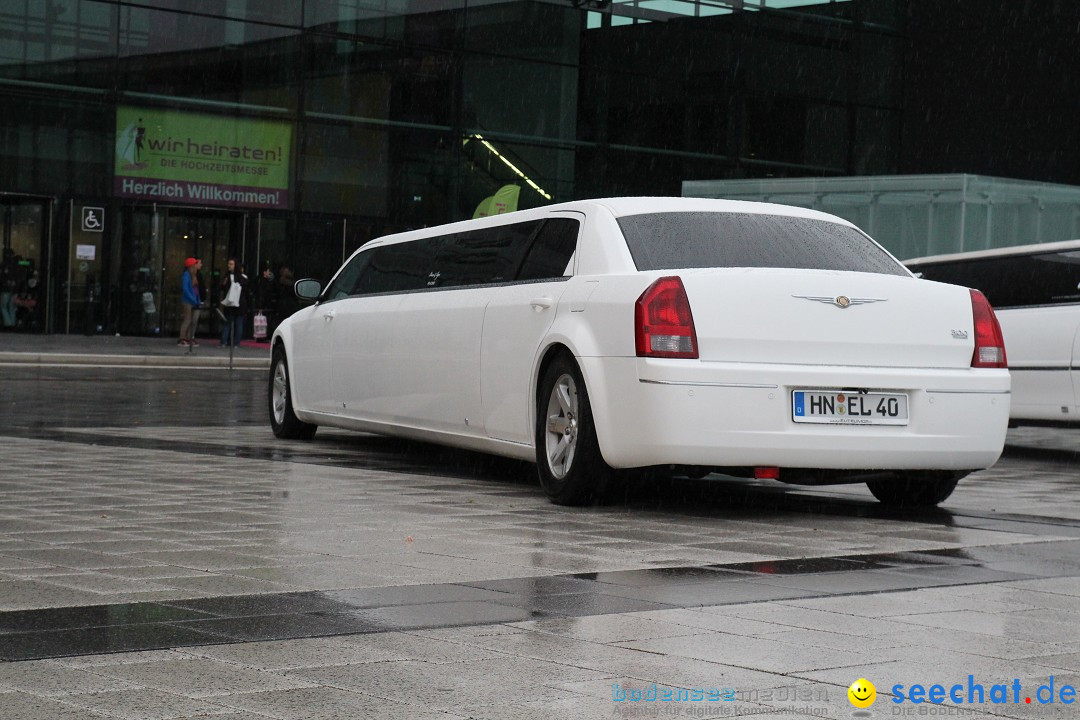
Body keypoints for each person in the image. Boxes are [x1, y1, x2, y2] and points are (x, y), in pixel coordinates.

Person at [218, 257, 248, 347]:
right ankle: (236, 343)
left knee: (229, 323)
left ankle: (225, 341)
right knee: (238, 324)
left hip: (232, 303)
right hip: (239, 303)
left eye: (231, 264)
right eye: (229, 264)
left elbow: (222, 288)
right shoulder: (243, 277)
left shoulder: (228, 277)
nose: (229, 266)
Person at [178, 257, 202, 346]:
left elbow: (196, 289)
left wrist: (198, 300)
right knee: (187, 320)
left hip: (195, 300)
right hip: (188, 301)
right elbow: (185, 289)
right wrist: (193, 299)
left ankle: (190, 337)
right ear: (191, 265)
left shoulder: (194, 275)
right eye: (195, 263)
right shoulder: (186, 275)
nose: (196, 265)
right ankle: (182, 338)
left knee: (194, 320)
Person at [254, 262, 277, 337]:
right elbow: (261, 294)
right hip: (264, 305)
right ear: (264, 272)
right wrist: (261, 306)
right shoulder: (263, 282)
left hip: (265, 304)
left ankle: (263, 335)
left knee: (265, 321)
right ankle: (263, 335)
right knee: (265, 321)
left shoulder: (266, 281)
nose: (269, 273)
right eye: (268, 271)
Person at [0, 248, 16, 329]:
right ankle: (12, 323)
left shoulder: (4, 265)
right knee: (11, 306)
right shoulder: (14, 264)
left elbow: (2, 277)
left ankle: (8, 324)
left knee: (3, 306)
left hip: (5, 289)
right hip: (14, 289)